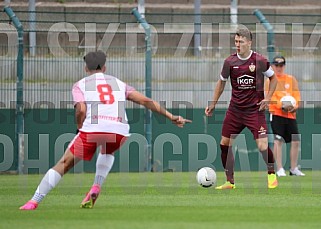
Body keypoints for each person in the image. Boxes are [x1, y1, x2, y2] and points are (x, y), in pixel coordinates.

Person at [20, 51, 191, 210]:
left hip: (93, 129)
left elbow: (80, 110)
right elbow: (146, 101)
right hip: (119, 130)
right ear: (105, 67)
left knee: (64, 164)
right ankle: (97, 185)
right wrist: (171, 116)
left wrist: (80, 127)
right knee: (108, 151)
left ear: (86, 68)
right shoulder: (118, 83)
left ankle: (34, 201)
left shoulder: (80, 85)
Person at [205, 27, 279, 189]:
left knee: (262, 146)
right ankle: (229, 181)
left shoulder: (259, 61)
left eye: (241, 42)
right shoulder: (230, 62)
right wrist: (213, 103)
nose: (238, 45)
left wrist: (268, 98)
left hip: (255, 111)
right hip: (235, 111)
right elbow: (222, 82)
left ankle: (272, 174)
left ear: (249, 42)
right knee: (224, 144)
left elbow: (273, 78)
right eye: (236, 41)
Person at [265, 55, 305, 177]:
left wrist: (295, 105)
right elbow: (268, 97)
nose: (279, 68)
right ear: (272, 66)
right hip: (277, 114)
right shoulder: (269, 81)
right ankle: (280, 168)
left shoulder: (291, 79)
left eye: (281, 65)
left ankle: (293, 168)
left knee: (296, 141)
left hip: (290, 115)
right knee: (278, 140)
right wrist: (281, 105)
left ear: (284, 66)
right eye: (276, 65)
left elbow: (296, 95)